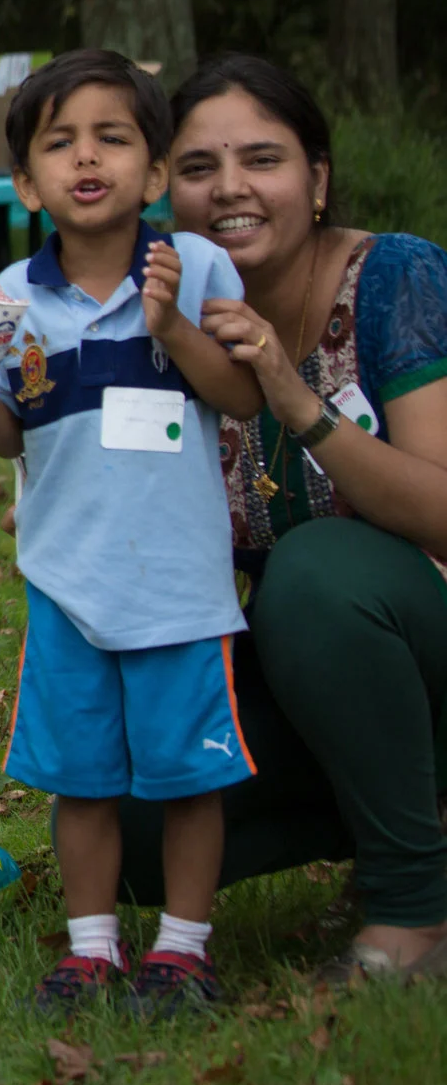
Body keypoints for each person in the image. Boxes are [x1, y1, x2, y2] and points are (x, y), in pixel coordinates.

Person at [110, 54, 447, 984]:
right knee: (132, 817)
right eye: (198, 166)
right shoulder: (160, 321)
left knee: (315, 575)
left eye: (263, 158)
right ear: (163, 187)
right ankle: (407, 817)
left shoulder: (395, 280)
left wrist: (298, 403)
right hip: (318, 672)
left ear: (318, 178)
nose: (230, 188)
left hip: (426, 640)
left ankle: (414, 905)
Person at [0, 49, 264, 1016]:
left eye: (113, 138)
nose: (87, 158)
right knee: (80, 778)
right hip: (67, 581)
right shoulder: (11, 296)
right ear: (26, 183)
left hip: (180, 583)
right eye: (61, 144)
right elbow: (9, 435)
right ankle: (90, 950)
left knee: (187, 776)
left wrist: (171, 326)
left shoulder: (196, 266)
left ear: (156, 172)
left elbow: (241, 396)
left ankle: (182, 948)